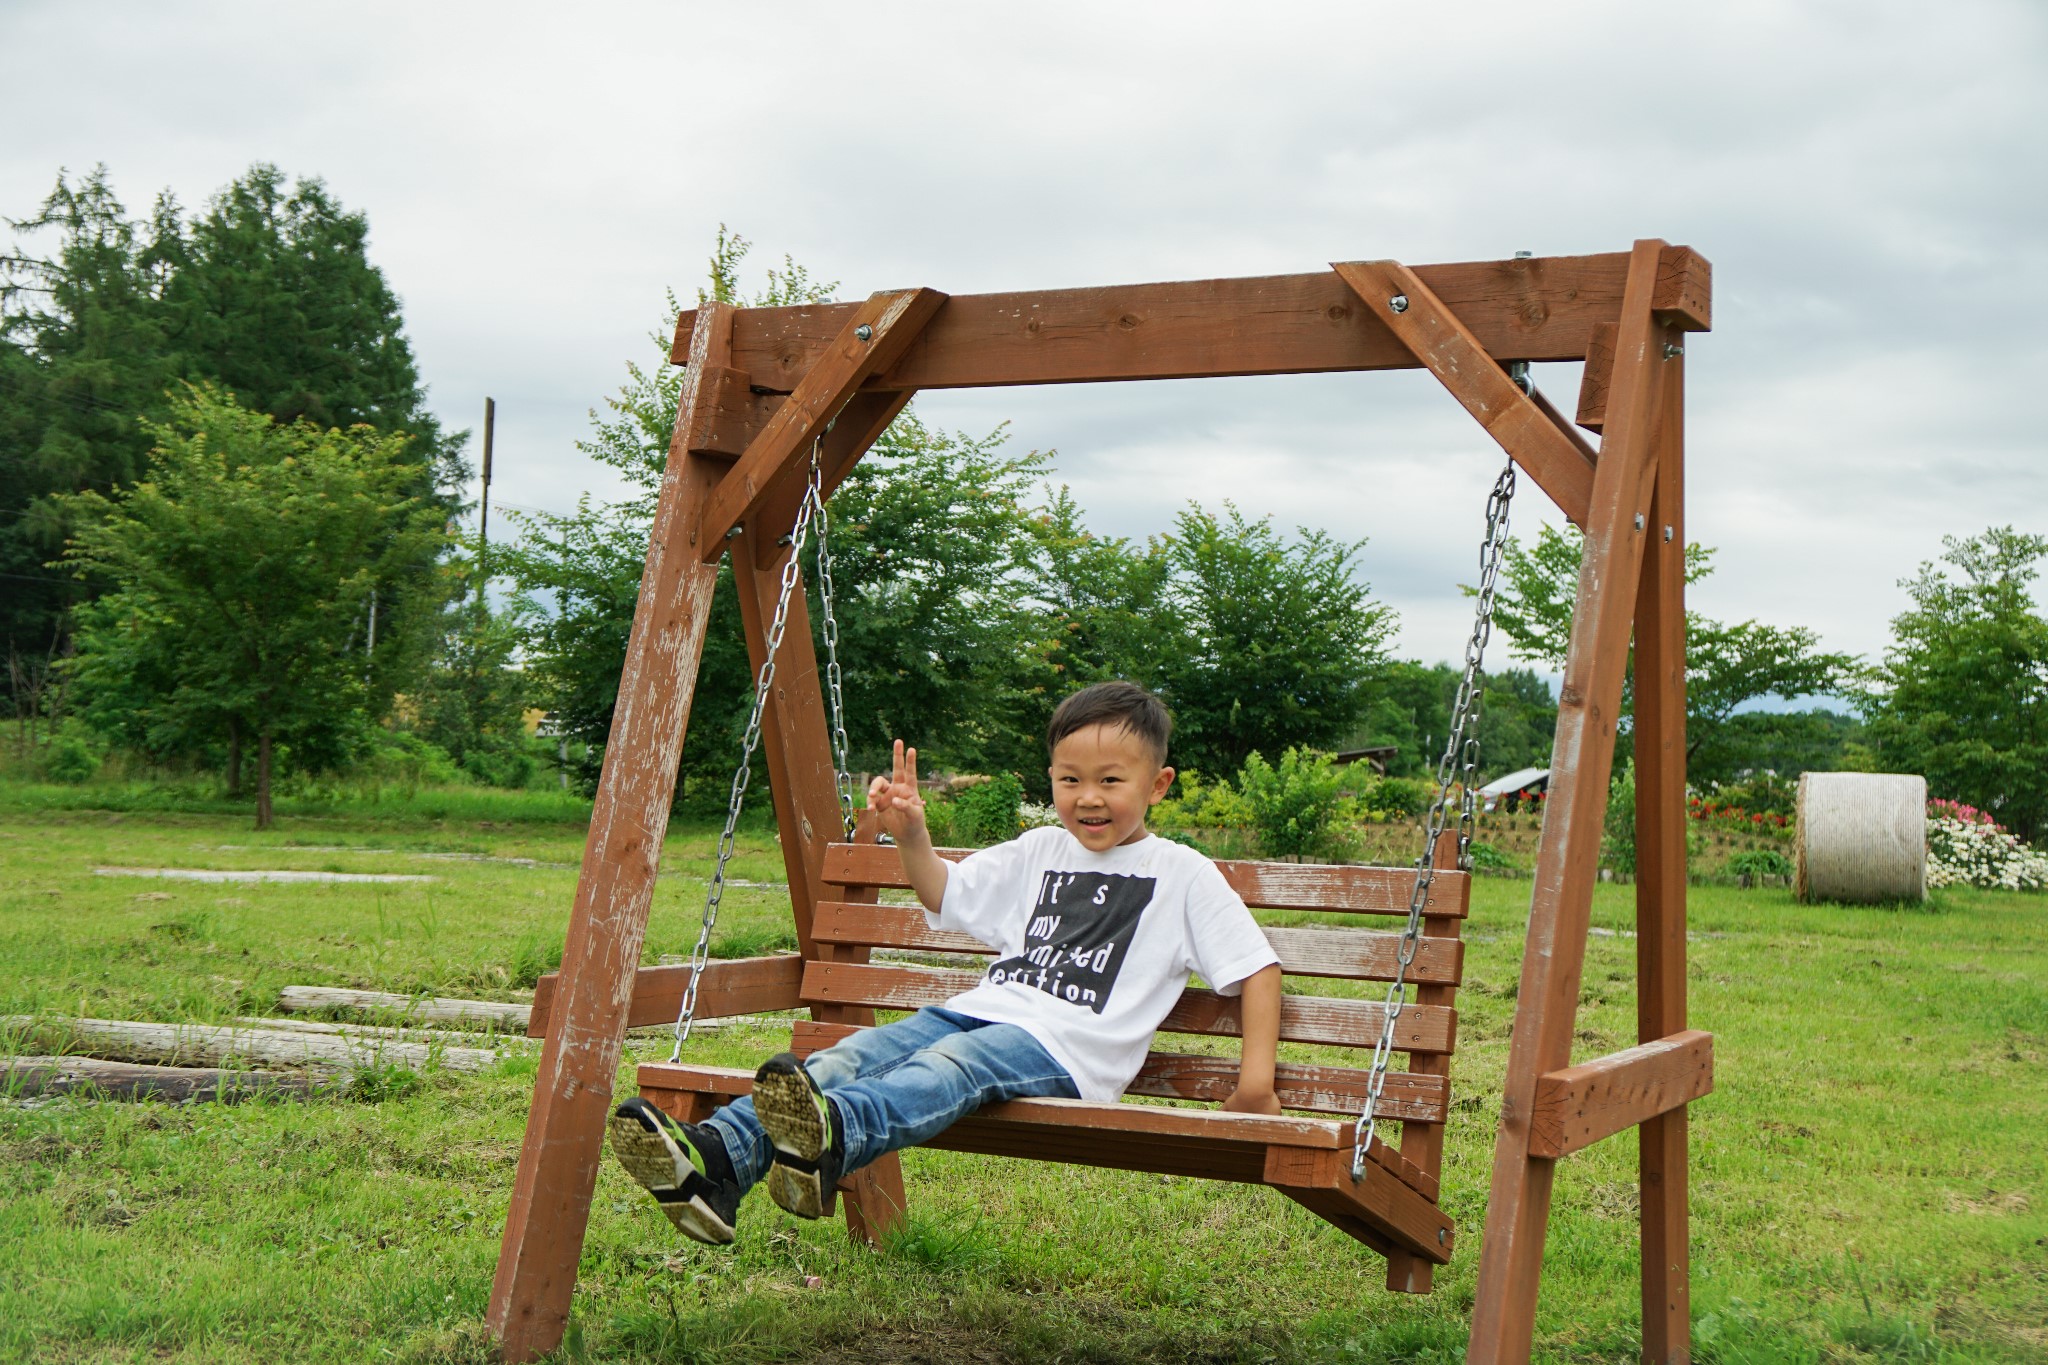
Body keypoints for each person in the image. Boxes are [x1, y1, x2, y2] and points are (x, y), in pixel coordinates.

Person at [607, 680, 1284, 1245]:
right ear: (1050, 778)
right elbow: (945, 892)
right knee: (852, 1055)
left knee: (946, 1069)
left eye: (1111, 780)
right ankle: (720, 1160)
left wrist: (1255, 1085)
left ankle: (835, 1137)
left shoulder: (1180, 874)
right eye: (1070, 779)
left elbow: (1255, 965)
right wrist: (913, 835)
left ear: (1158, 783)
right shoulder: (1040, 849)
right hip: (980, 1013)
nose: (1088, 797)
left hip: (1068, 1050)